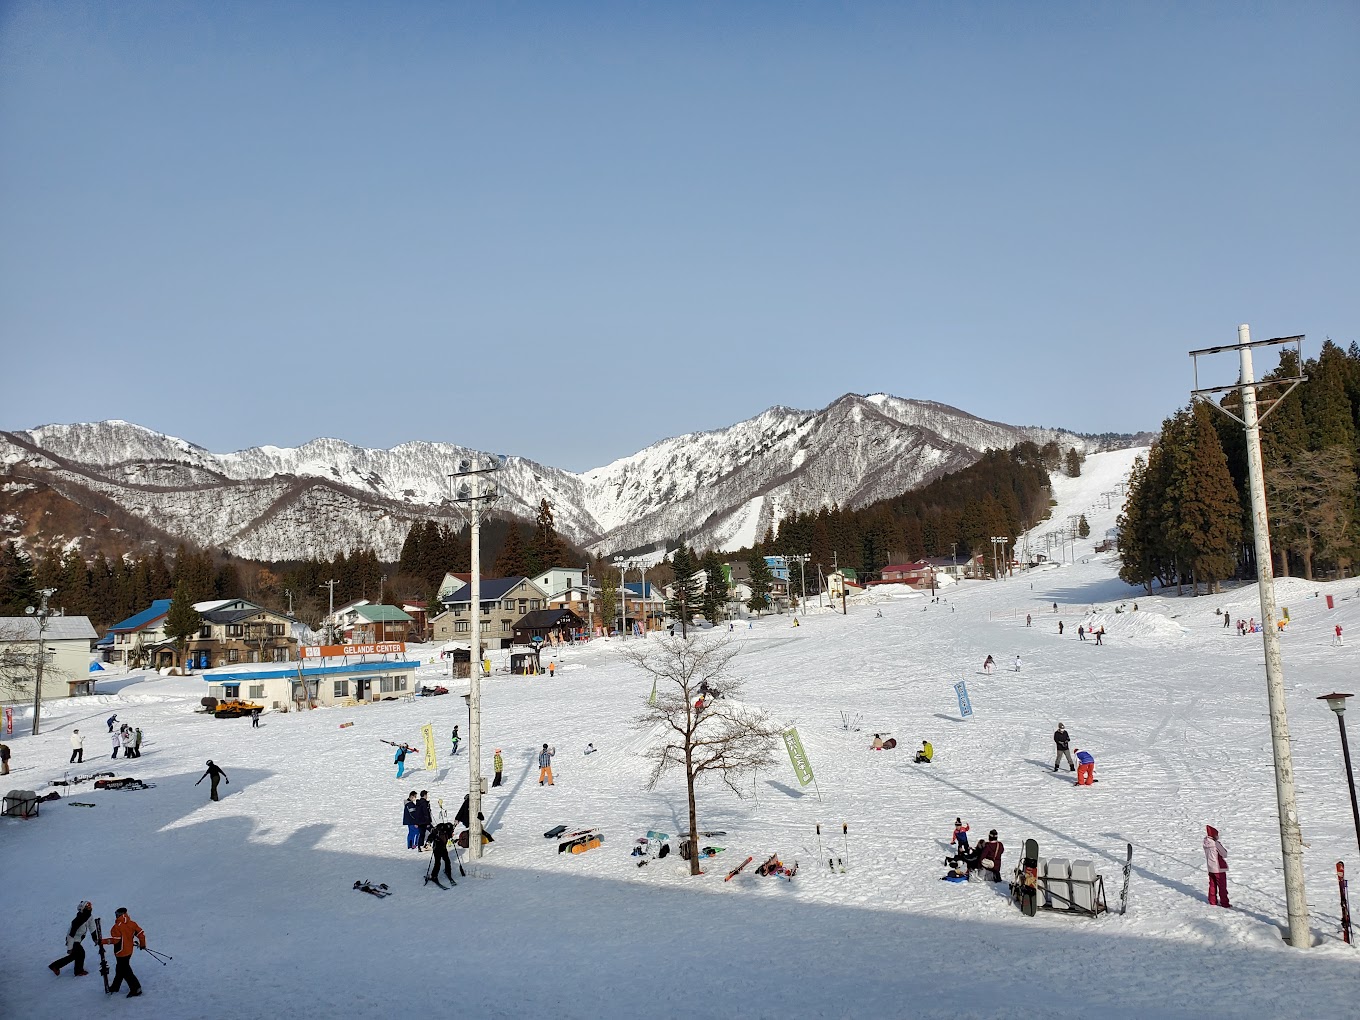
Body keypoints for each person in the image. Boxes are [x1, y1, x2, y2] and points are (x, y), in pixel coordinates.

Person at [100, 906, 146, 997]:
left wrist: (102, 941)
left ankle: (136, 989)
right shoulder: (132, 923)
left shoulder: (117, 927)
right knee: (120, 969)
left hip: (121, 952)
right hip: (129, 951)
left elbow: (116, 940)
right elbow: (141, 934)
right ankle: (115, 987)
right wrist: (142, 944)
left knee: (126, 971)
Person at [49, 899, 94, 977]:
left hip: (78, 939)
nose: (90, 908)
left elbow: (92, 927)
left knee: (75, 955)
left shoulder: (89, 916)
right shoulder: (77, 921)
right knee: (81, 953)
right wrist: (69, 948)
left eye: (90, 906)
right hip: (72, 940)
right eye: (87, 907)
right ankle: (78, 971)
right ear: (83, 909)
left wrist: (95, 939)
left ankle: (55, 966)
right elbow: (71, 934)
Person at [1203, 824, 1231, 908]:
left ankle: (1212, 900)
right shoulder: (1215, 844)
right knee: (1222, 886)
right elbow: (1224, 853)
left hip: (1210, 867)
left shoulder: (1205, 843)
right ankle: (1224, 902)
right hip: (1218, 868)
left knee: (1212, 885)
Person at [427, 820, 456, 886]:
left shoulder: (448, 831)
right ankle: (433, 876)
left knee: (447, 861)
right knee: (438, 863)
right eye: (451, 831)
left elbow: (449, 837)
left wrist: (452, 839)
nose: (452, 832)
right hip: (436, 848)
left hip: (443, 848)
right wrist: (429, 841)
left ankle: (448, 872)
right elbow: (431, 836)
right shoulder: (438, 830)